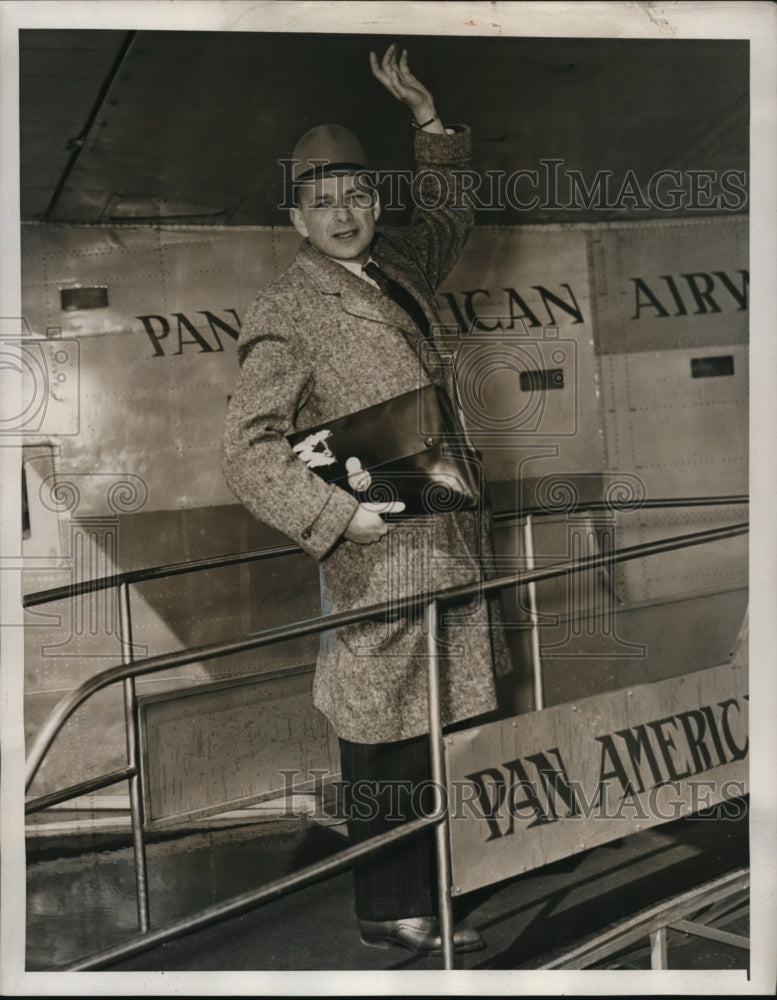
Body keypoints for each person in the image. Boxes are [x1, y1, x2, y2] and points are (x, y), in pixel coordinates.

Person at [221, 44, 510, 955]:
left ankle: (432, 885)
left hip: (443, 537)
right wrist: (335, 516)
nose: (342, 216)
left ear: (374, 204)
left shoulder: (395, 269)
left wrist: (428, 123)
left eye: (355, 197)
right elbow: (246, 449)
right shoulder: (289, 309)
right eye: (321, 203)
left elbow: (452, 215)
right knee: (381, 728)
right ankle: (389, 908)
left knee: (431, 729)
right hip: (377, 549)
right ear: (294, 218)